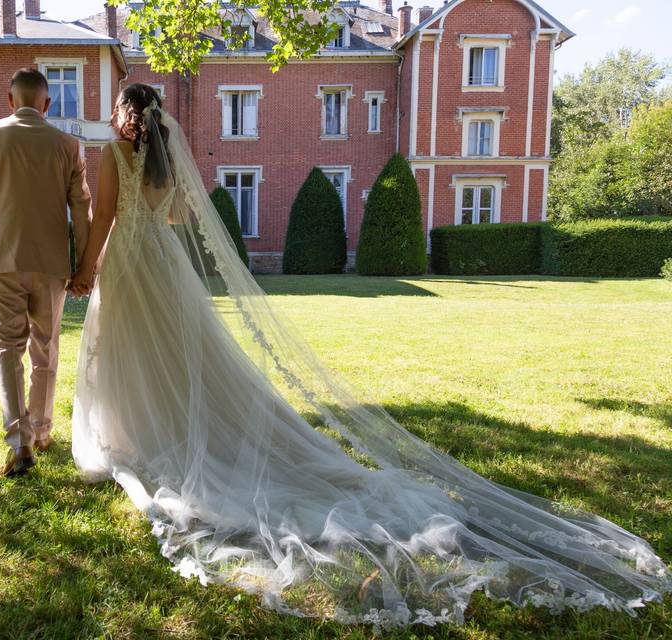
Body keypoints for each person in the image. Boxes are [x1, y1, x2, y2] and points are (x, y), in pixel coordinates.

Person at [68, 83, 671, 629]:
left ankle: (135, 432)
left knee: (128, 347)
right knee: (176, 352)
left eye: (117, 110)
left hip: (127, 262)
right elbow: (174, 216)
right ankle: (163, 426)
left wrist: (83, 269)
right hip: (167, 268)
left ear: (125, 115)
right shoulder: (169, 160)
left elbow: (101, 218)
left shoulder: (114, 154)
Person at [0, 68, 91, 478]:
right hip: (51, 265)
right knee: (45, 350)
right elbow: (82, 212)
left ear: (10, 100)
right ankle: (43, 429)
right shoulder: (68, 144)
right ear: (47, 104)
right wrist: (85, 267)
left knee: (6, 349)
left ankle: (20, 442)